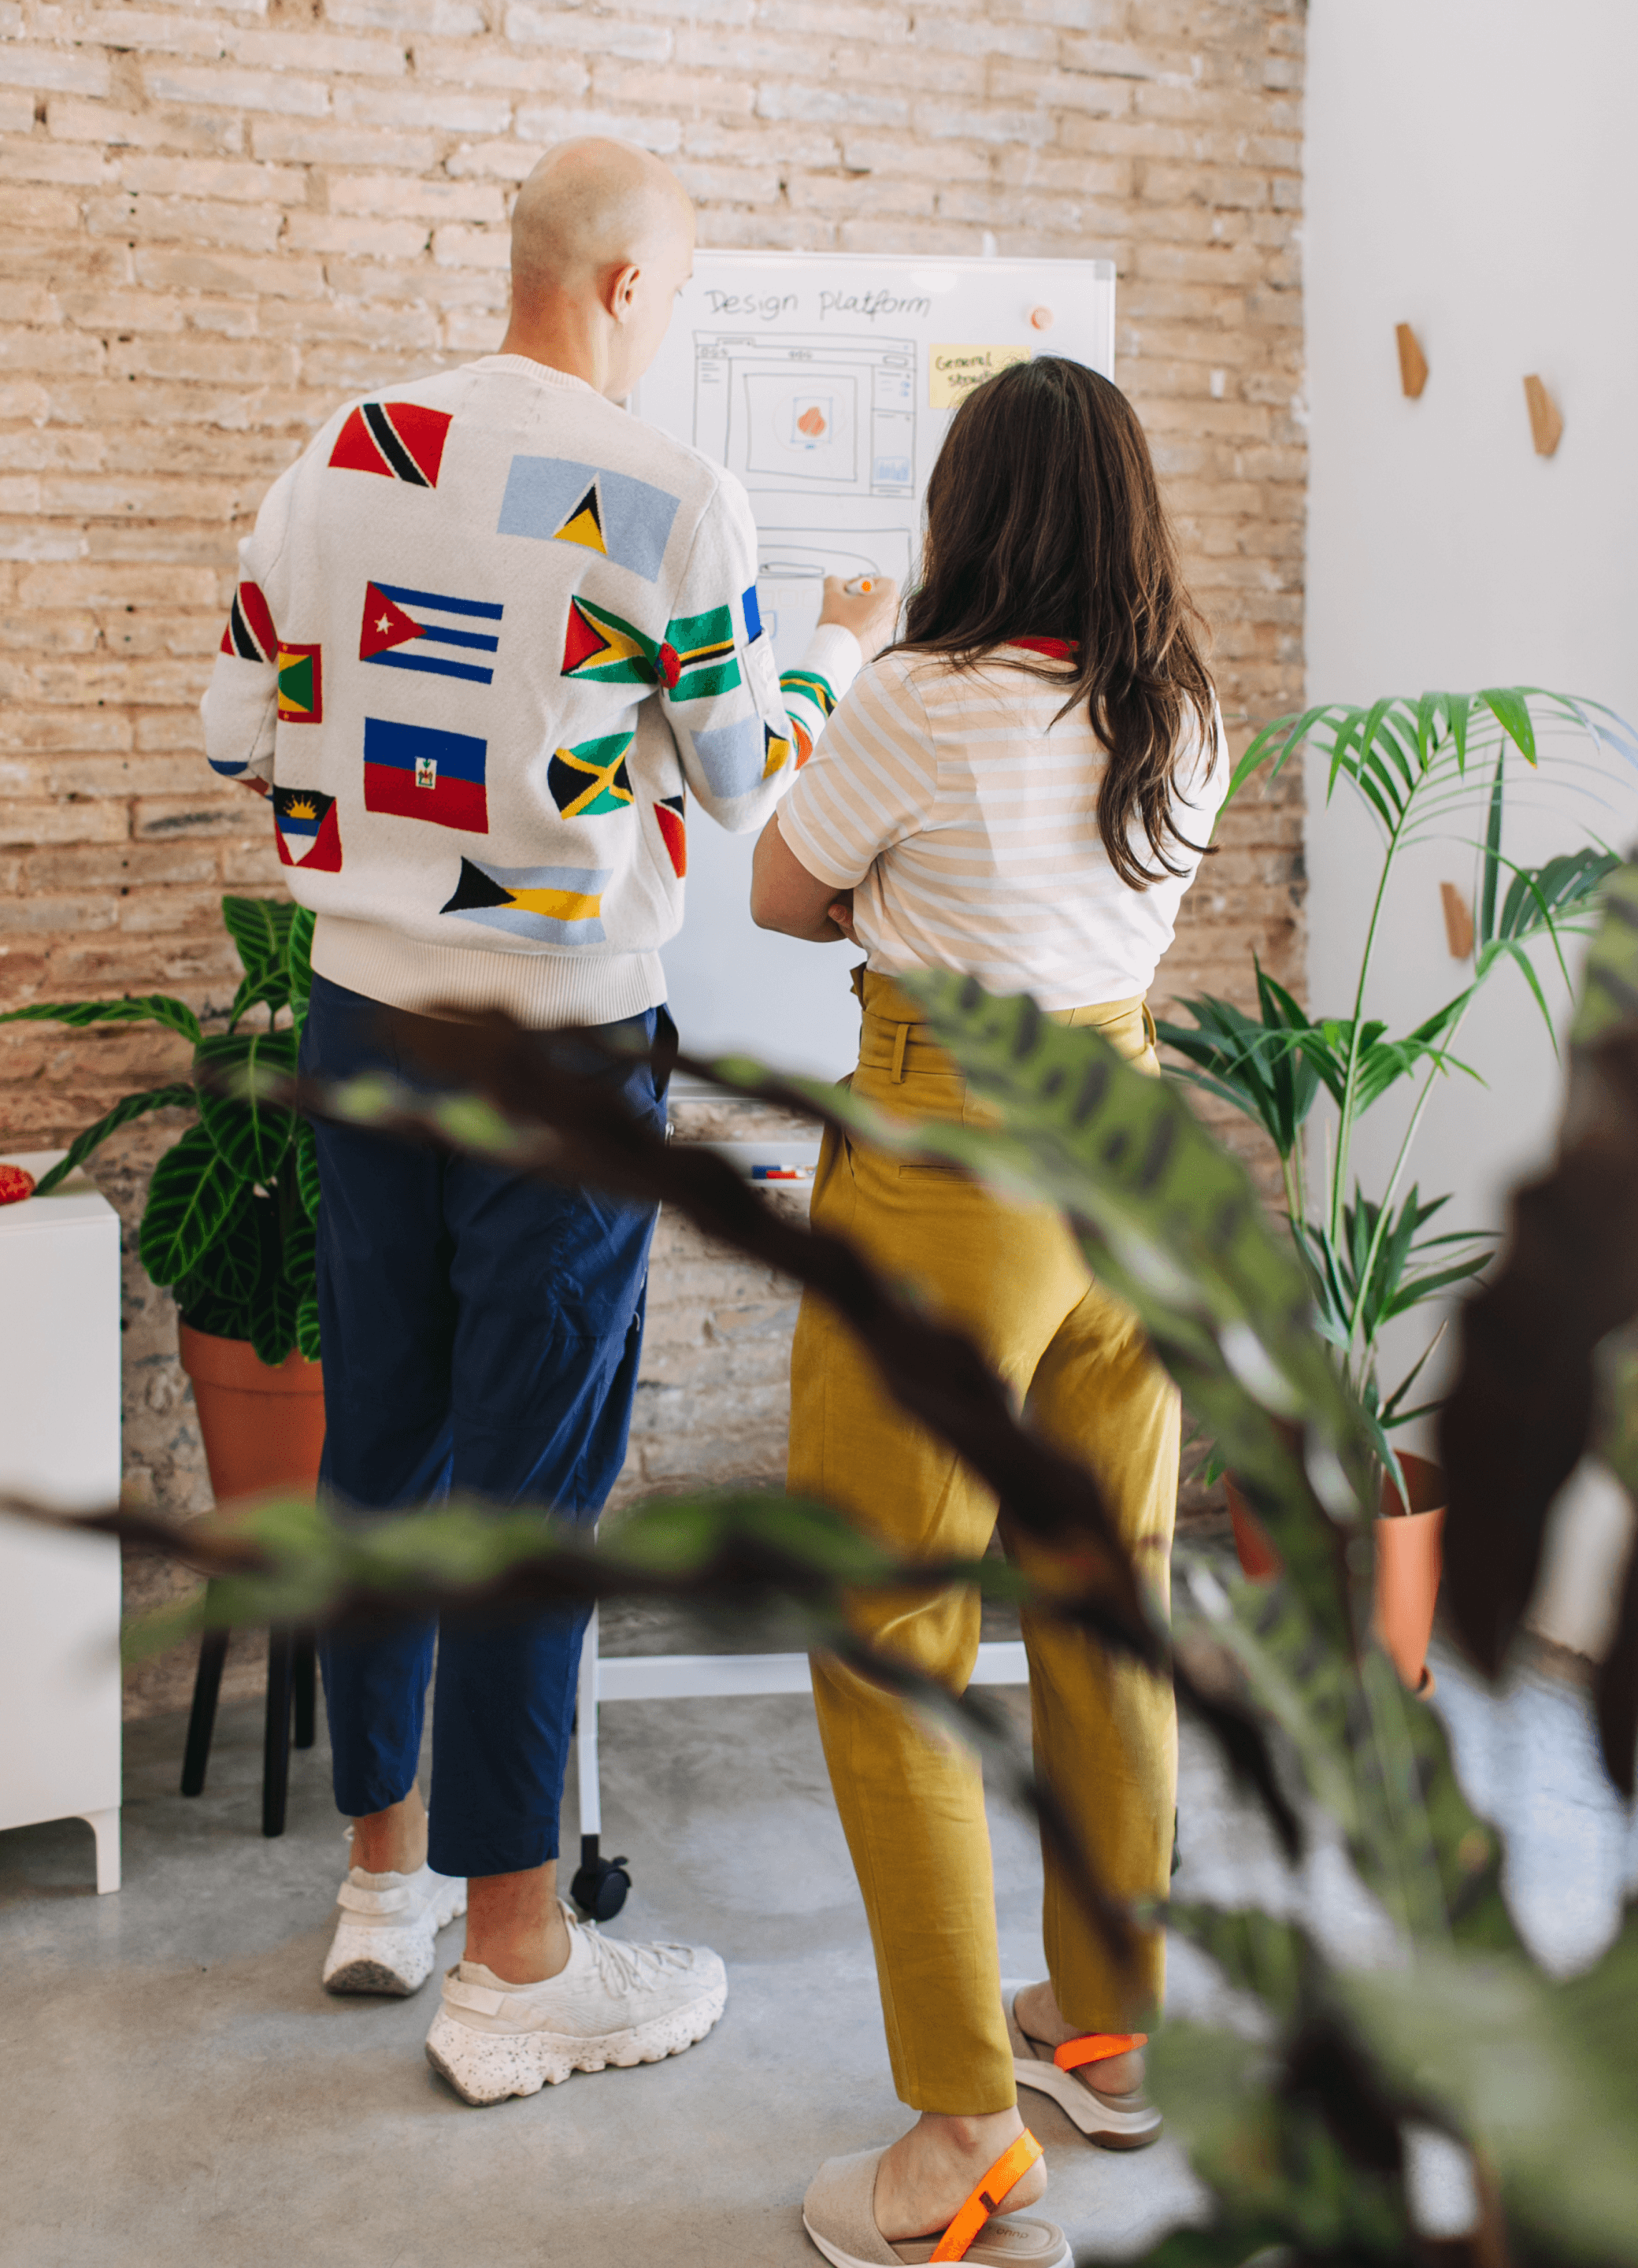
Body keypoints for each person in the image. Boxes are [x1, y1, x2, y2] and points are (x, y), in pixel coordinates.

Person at [200, 136, 898, 2107]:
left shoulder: (337, 453)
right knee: (526, 1499)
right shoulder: (672, 498)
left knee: (386, 1448)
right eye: (670, 299)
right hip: (560, 1057)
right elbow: (749, 776)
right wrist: (837, 640)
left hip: (356, 1021)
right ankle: (518, 1966)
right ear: (618, 289)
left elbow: (232, 730)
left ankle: (383, 1882)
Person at [750, 355, 1229, 2267]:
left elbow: (785, 898)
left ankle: (958, 2137)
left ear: (971, 511)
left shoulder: (916, 698)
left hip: (954, 1182)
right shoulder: (1176, 710)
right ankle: (1103, 2032)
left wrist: (833, 662)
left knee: (890, 1632)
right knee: (1108, 1598)